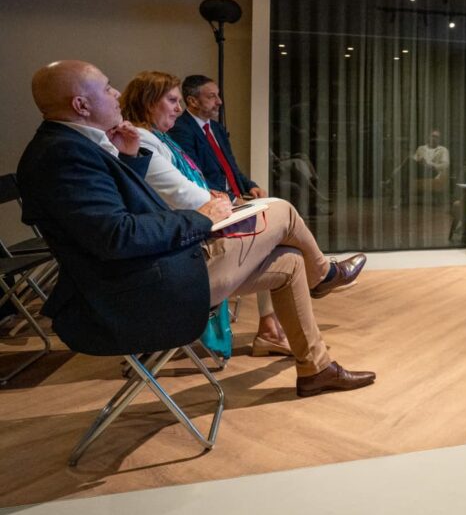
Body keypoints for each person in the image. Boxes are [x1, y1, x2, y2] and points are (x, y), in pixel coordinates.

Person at [18, 61, 374, 397]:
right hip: (141, 292)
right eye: (108, 88)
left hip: (151, 273)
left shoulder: (73, 147)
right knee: (281, 210)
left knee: (291, 262)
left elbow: (120, 214)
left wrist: (129, 160)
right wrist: (202, 218)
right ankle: (324, 275)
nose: (116, 94)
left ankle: (316, 369)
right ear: (81, 105)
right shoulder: (63, 156)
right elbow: (118, 235)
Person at [118, 70, 366, 357]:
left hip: (202, 227)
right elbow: (184, 195)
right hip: (191, 249)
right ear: (149, 102)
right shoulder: (145, 142)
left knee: (290, 256)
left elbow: (221, 172)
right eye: (172, 101)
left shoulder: (162, 139)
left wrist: (245, 189)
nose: (178, 108)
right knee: (283, 211)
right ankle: (323, 275)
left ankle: (310, 361)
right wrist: (224, 203)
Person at [167, 74, 266, 200]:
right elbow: (194, 175)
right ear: (193, 101)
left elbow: (231, 167)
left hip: (238, 197)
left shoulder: (217, 128)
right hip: (214, 201)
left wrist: (251, 186)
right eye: (211, 96)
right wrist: (232, 200)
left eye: (218, 95)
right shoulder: (180, 129)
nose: (219, 101)